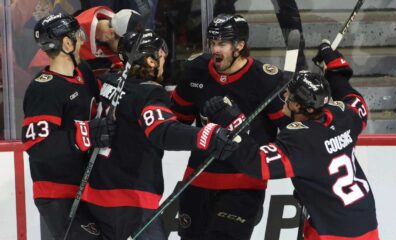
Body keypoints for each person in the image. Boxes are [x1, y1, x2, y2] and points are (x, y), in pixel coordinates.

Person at [205, 43, 380, 240]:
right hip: (366, 222)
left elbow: (257, 164)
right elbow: (355, 100)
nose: (285, 95)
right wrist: (335, 67)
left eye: (289, 94)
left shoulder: (300, 138)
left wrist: (232, 122)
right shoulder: (342, 116)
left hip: (332, 232)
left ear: (298, 105)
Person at [80, 29, 239, 240]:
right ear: (151, 61)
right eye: (162, 56)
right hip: (131, 200)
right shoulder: (149, 94)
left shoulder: (108, 81)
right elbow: (162, 131)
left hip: (96, 195)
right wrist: (207, 135)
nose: (164, 61)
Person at [170, 14, 290, 240]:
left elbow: (291, 129)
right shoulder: (196, 70)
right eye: (212, 43)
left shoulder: (265, 79)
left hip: (244, 184)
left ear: (240, 45)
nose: (215, 49)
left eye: (222, 44)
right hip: (198, 178)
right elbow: (177, 121)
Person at [21, 13, 116, 239]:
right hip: (57, 192)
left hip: (86, 186)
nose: (82, 40)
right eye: (78, 35)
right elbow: (37, 145)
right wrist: (84, 134)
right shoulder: (44, 90)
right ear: (66, 43)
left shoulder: (82, 73)